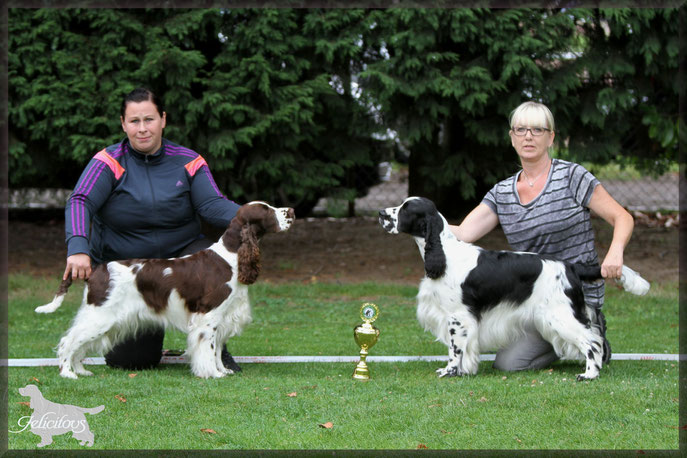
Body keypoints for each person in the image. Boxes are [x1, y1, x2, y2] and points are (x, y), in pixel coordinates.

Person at [63, 87, 242, 371]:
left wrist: (253, 217)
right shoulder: (107, 162)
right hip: (131, 276)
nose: (142, 129)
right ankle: (154, 330)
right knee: (131, 361)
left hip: (181, 261)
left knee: (210, 262)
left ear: (163, 119)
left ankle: (213, 345)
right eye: (134, 121)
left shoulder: (188, 160)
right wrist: (77, 248)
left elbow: (211, 204)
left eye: (149, 119)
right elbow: (80, 201)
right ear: (123, 124)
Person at [450, 101, 634, 371]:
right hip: (531, 298)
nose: (528, 136)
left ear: (551, 137)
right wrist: (420, 222)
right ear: (512, 138)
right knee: (506, 364)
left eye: (537, 129)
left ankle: (590, 328)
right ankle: (577, 337)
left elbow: (623, 217)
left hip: (574, 292)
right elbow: (464, 233)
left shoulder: (573, 176)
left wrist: (615, 251)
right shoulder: (502, 193)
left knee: (514, 360)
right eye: (521, 129)